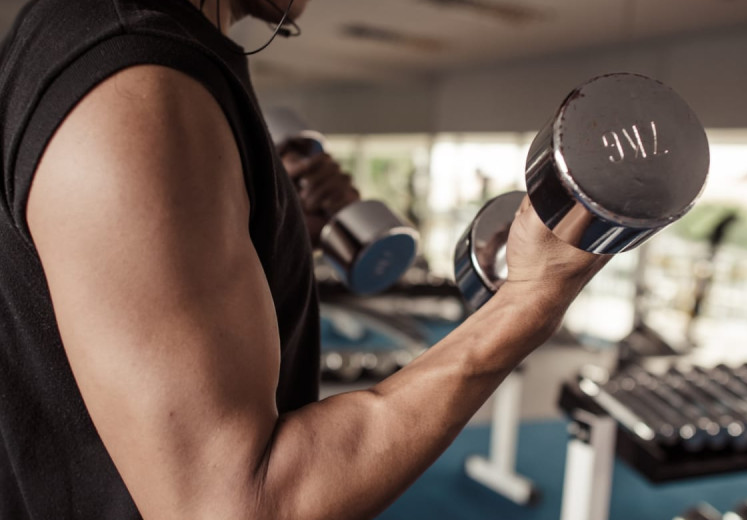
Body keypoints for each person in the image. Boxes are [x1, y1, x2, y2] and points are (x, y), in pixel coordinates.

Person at [0, 0, 608, 518]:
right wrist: (531, 299)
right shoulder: (137, 85)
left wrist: (269, 225)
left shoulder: (98, 38)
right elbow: (243, 501)